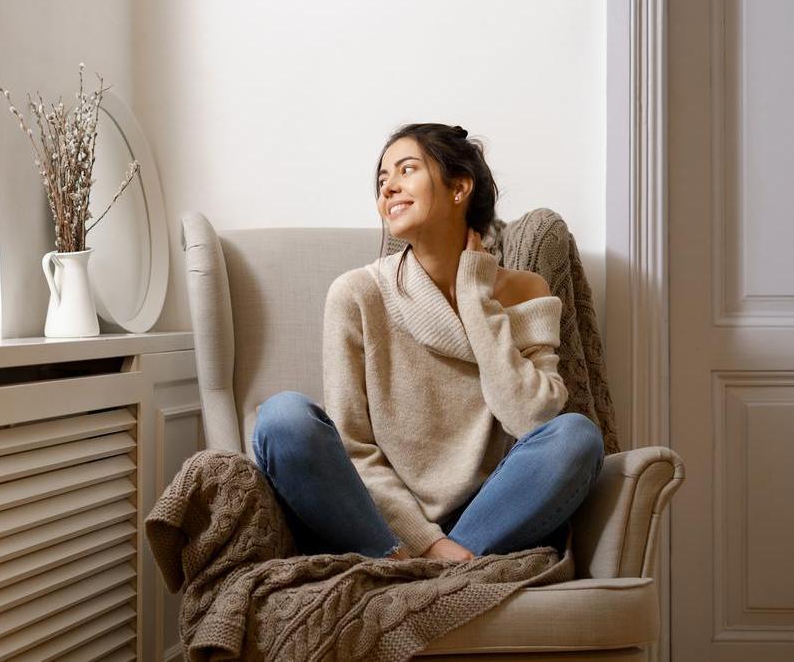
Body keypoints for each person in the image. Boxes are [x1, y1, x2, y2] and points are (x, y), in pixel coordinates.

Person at [251, 123, 605, 562]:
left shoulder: (525, 290)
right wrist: (426, 542)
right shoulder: (357, 294)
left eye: (406, 170)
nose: (389, 188)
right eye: (382, 180)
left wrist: (476, 296)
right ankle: (432, 565)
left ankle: (431, 570)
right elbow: (353, 446)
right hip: (382, 523)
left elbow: (531, 418)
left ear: (459, 187)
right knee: (283, 417)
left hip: (489, 512)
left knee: (577, 436)